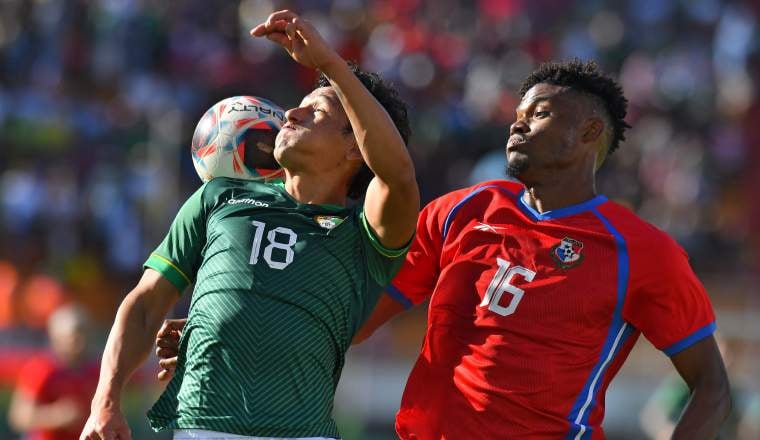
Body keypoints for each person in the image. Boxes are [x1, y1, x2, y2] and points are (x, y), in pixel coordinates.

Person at [156, 62, 732, 438]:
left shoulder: (641, 252)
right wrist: (230, 325)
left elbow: (711, 385)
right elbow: (350, 318)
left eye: (539, 114)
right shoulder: (461, 211)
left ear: (588, 132)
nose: (517, 126)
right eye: (516, 115)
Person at [80, 9, 418, 440]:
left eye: (317, 111)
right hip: (200, 428)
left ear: (356, 147)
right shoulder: (218, 197)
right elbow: (146, 303)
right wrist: (105, 401)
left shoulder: (367, 234)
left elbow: (398, 174)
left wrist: (331, 66)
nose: (291, 114)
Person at [8, 304, 99, 440]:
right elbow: (19, 416)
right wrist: (56, 416)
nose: (81, 341)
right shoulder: (41, 369)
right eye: (75, 334)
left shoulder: (96, 370)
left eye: (85, 333)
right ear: (56, 337)